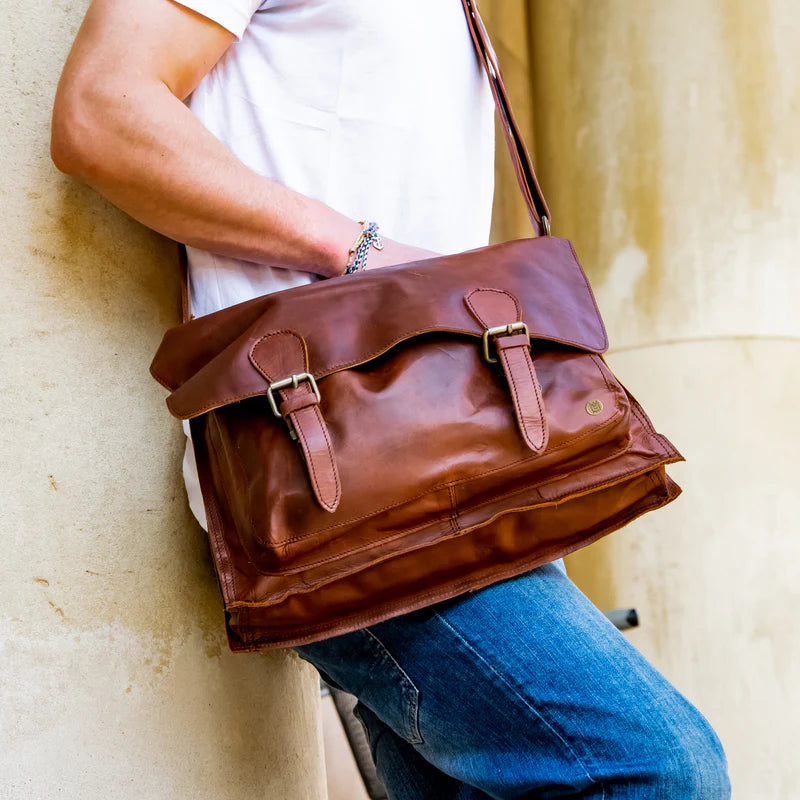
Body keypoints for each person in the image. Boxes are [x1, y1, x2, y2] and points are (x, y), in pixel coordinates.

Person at [51, 1, 731, 797]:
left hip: (447, 476)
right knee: (651, 766)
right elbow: (101, 108)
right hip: (337, 487)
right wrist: (355, 248)